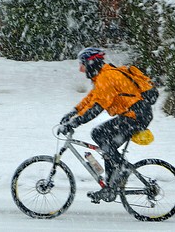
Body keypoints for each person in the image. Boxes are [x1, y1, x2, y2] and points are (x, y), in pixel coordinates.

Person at [58, 47, 154, 202]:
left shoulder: (107, 77)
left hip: (136, 115)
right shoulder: (102, 77)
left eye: (82, 64)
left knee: (100, 135)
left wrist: (75, 122)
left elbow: (97, 107)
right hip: (133, 115)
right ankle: (110, 186)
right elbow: (91, 100)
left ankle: (120, 170)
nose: (81, 69)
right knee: (105, 142)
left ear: (91, 63)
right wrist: (73, 112)